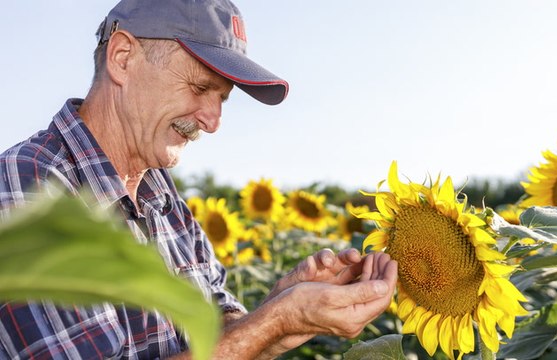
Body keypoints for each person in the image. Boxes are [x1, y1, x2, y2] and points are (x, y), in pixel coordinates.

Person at [0, 0, 397, 359]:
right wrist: (279, 319)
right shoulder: (29, 186)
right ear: (122, 58)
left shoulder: (159, 192)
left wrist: (288, 305)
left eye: (222, 98)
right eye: (200, 87)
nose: (212, 122)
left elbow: (219, 336)